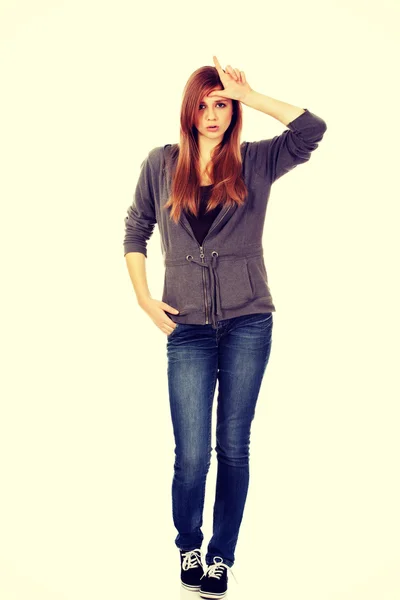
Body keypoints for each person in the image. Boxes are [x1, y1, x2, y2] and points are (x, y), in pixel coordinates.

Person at [123, 55, 327, 599]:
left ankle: (220, 558)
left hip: (248, 322)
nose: (212, 115)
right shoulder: (160, 164)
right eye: (204, 104)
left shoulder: (256, 162)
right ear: (188, 110)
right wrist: (145, 299)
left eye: (222, 105)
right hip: (184, 324)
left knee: (233, 446)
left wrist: (251, 94)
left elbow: (312, 129)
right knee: (190, 452)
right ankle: (188, 542)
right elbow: (135, 230)